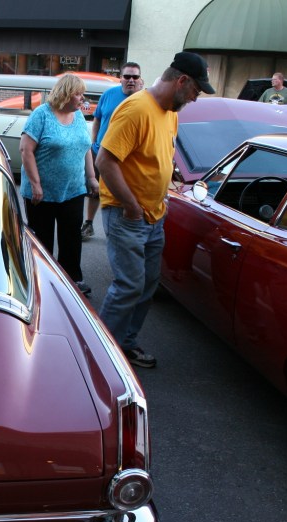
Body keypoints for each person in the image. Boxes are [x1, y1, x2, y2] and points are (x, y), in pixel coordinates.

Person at [95, 51, 215, 368]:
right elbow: (104, 162)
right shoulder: (135, 109)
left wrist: (169, 180)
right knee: (129, 286)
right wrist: (132, 206)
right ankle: (102, 355)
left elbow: (161, 153)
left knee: (148, 284)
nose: (194, 98)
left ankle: (126, 343)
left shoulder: (170, 112)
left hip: (154, 215)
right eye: (195, 91)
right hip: (127, 215)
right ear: (181, 81)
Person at [19, 73, 99, 296]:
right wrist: (35, 184)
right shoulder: (41, 115)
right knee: (42, 239)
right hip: (42, 193)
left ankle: (72, 280)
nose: (82, 99)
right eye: (78, 94)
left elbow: (85, 149)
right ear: (65, 94)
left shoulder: (78, 117)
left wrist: (91, 178)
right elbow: (26, 150)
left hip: (73, 189)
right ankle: (41, 282)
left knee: (71, 237)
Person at [82, 62, 143, 241]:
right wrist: (94, 142)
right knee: (95, 190)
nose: (131, 80)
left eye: (135, 77)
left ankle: (121, 230)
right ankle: (88, 223)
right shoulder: (109, 94)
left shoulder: (143, 99)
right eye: (127, 76)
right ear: (121, 78)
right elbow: (98, 119)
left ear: (140, 79)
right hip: (101, 151)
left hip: (127, 156)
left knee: (121, 191)